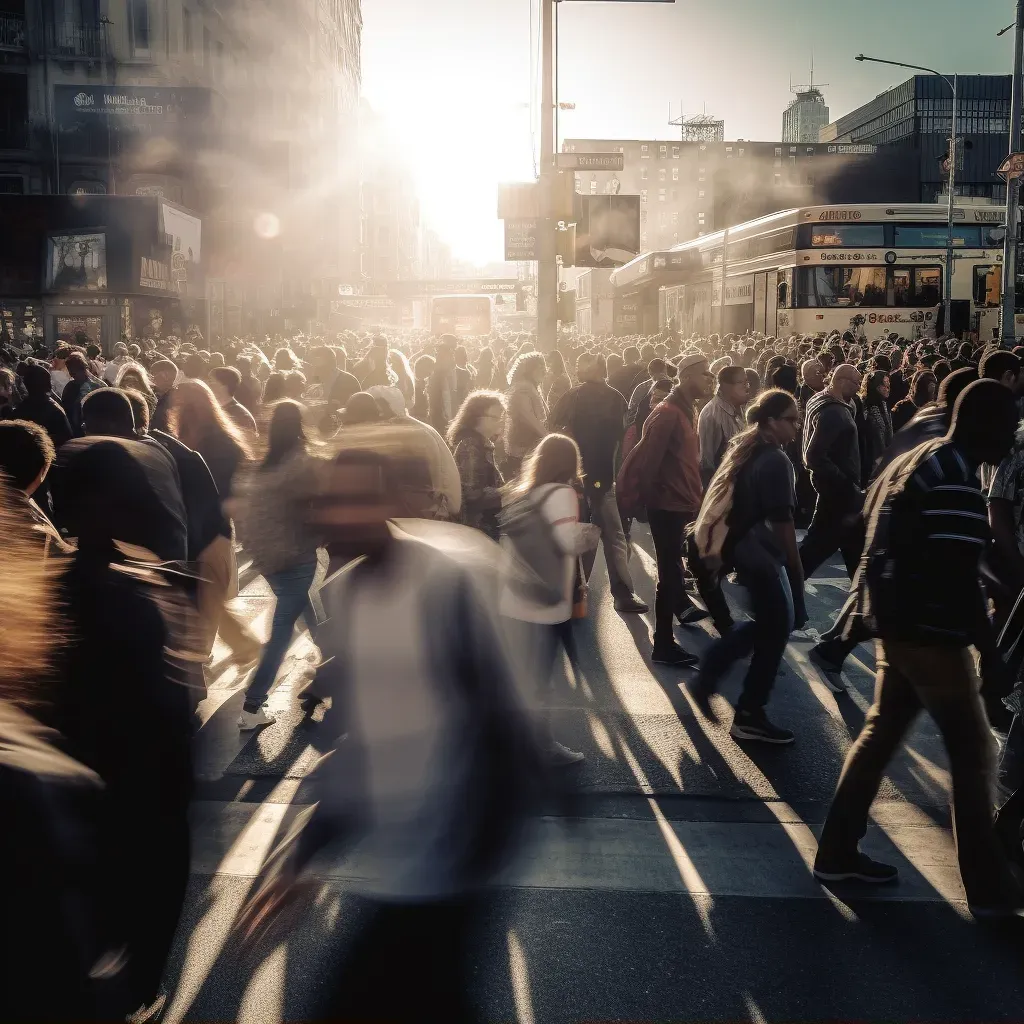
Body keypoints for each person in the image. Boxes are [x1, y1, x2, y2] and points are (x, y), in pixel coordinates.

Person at [241, 447, 545, 1022]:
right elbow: (371, 738)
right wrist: (305, 852)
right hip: (400, 850)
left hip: (452, 851)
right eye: (333, 500)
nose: (343, 514)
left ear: (394, 502)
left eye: (361, 498)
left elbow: (498, 719)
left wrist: (473, 851)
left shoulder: (446, 582)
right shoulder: (349, 596)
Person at [812, 380, 1024, 916]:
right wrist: (993, 654)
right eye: (1007, 427)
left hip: (896, 620)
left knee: (880, 735)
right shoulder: (956, 479)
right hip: (931, 631)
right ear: (984, 425)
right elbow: (954, 575)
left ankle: (837, 848)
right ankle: (990, 890)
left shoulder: (931, 457)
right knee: (974, 753)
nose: (1012, 441)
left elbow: (941, 547)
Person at [48, 436, 198, 1017]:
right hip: (131, 812)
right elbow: (167, 737)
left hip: (62, 817)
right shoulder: (141, 598)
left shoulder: (45, 588)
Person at [691, 390, 807, 744]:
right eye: (791, 418)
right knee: (776, 626)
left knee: (772, 627)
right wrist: (795, 568)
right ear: (771, 422)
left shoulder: (754, 449)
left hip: (749, 552)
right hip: (761, 556)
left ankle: (732, 695)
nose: (797, 424)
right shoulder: (774, 460)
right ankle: (746, 710)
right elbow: (783, 522)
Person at [499, 433, 600, 765]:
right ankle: (541, 747)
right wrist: (590, 533)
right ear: (572, 463)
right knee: (541, 677)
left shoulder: (525, 493)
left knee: (523, 673)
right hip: (545, 602)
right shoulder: (562, 494)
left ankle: (512, 742)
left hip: (515, 596)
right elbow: (565, 541)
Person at [619, 354, 716, 667]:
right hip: (667, 506)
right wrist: (648, 501)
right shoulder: (669, 413)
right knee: (669, 575)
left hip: (681, 503)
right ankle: (662, 645)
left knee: (673, 573)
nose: (710, 379)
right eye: (705, 374)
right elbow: (649, 462)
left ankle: (667, 638)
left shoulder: (686, 409)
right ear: (686, 377)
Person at [233, 400, 322, 729]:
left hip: (270, 559)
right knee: (283, 630)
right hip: (298, 555)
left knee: (308, 613)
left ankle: (335, 673)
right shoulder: (305, 462)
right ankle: (253, 705)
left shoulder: (260, 465)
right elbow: (319, 507)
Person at [549, 352, 647, 613]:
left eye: (584, 364)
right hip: (597, 477)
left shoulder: (578, 396)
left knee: (589, 534)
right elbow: (623, 438)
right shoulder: (611, 397)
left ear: (598, 368)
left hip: (584, 477)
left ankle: (579, 591)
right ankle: (613, 593)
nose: (579, 367)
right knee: (608, 536)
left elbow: (555, 428)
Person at [799, 363, 864, 580]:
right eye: (856, 383)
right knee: (815, 548)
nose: (859, 388)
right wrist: (844, 481)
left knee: (856, 550)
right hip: (838, 493)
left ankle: (864, 600)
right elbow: (814, 456)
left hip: (840, 492)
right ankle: (780, 593)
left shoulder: (822, 400)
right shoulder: (834, 412)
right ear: (842, 381)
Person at [167, 378, 252, 503]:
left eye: (176, 406)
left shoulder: (222, 447)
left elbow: (219, 493)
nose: (170, 411)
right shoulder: (185, 439)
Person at [448, 391, 505, 539]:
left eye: (502, 417)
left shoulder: (480, 443)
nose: (500, 422)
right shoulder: (471, 445)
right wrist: (508, 492)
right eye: (495, 418)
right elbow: (471, 494)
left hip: (482, 526)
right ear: (477, 418)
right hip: (476, 529)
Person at [697, 365, 749, 486]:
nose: (747, 387)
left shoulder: (740, 407)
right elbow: (707, 465)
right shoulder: (711, 415)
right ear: (726, 386)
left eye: (747, 382)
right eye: (741, 382)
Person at [503, 351, 548, 478]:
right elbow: (528, 418)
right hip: (523, 444)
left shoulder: (531, 386)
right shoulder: (523, 389)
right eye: (540, 368)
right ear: (530, 370)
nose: (544, 371)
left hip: (530, 443)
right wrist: (547, 436)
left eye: (544, 367)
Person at [11, 362, 72, 451]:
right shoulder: (54, 408)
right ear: (48, 384)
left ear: (26, 384)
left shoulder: (20, 409)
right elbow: (67, 437)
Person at [60, 351, 106, 437]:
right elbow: (65, 409)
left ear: (83, 369)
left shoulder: (97, 386)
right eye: (70, 371)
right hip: (75, 431)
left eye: (74, 372)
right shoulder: (70, 386)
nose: (71, 375)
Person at [858, 370, 892, 484]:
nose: (888, 388)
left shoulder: (883, 404)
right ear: (876, 387)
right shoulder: (865, 407)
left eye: (889, 385)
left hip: (884, 458)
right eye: (885, 385)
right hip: (871, 461)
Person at [210, 365, 259, 437]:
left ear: (223, 386)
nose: (208, 384)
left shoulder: (240, 415)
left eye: (211, 381)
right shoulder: (216, 409)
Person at [427, 341, 458, 438]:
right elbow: (433, 398)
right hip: (439, 416)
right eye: (438, 355)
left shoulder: (455, 372)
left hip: (451, 415)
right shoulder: (434, 375)